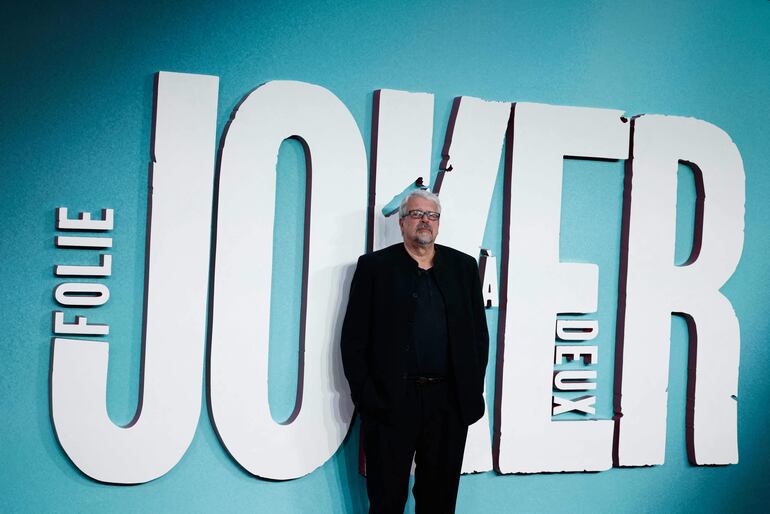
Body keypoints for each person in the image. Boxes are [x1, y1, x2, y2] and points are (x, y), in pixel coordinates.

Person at [341, 189, 489, 513]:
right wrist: (369, 398)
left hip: (448, 404)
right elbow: (353, 340)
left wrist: (469, 390)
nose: (425, 221)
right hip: (391, 401)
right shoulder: (375, 268)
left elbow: (478, 337)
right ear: (402, 222)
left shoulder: (463, 268)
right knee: (386, 500)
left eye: (432, 215)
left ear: (438, 223)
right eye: (417, 214)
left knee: (439, 502)